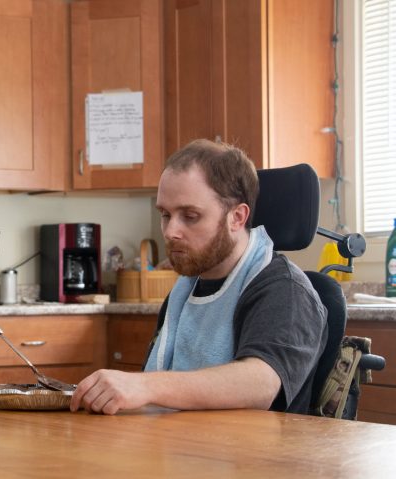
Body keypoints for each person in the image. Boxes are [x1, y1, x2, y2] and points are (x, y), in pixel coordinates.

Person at [70, 139, 328, 415]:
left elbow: (261, 384)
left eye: (190, 216)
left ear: (237, 218)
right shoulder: (185, 290)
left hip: (251, 455)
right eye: (166, 215)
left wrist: (145, 386)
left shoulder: (283, 289)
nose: (170, 232)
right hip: (179, 449)